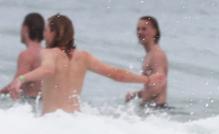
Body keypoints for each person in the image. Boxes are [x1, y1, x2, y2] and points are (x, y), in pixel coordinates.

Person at [7, 14, 159, 114]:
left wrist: (20, 79)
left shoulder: (48, 53)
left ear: (55, 33)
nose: (44, 34)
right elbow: (116, 74)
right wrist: (147, 79)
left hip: (51, 124)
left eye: (46, 30)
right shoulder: (84, 56)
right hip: (76, 124)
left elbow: (48, 69)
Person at [125, 16, 168, 107]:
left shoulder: (157, 55)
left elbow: (159, 83)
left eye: (144, 29)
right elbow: (151, 86)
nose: (140, 32)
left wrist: (142, 101)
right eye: (138, 29)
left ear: (154, 31)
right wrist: (136, 95)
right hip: (153, 110)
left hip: (158, 110)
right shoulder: (150, 54)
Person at [1, 13, 44, 99]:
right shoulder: (47, 53)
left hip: (30, 105)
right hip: (43, 104)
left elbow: (15, 85)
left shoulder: (27, 55)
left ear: (25, 28)